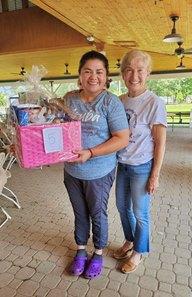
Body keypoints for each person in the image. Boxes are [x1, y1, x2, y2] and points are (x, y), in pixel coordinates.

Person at [51, 50, 129, 279]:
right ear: (79, 75)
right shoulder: (70, 99)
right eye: (88, 71)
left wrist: (91, 152)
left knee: (97, 213)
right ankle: (80, 250)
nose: (93, 76)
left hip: (99, 171)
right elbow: (56, 128)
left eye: (99, 72)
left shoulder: (110, 102)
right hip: (72, 170)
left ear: (106, 77)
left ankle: (98, 252)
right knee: (79, 213)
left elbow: (122, 138)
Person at [113, 49, 167, 273]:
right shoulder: (119, 101)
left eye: (140, 71)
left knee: (140, 212)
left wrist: (155, 175)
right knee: (122, 207)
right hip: (122, 165)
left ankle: (139, 251)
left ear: (148, 74)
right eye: (129, 70)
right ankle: (129, 240)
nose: (134, 76)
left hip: (142, 167)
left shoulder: (154, 103)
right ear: (123, 74)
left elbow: (160, 142)